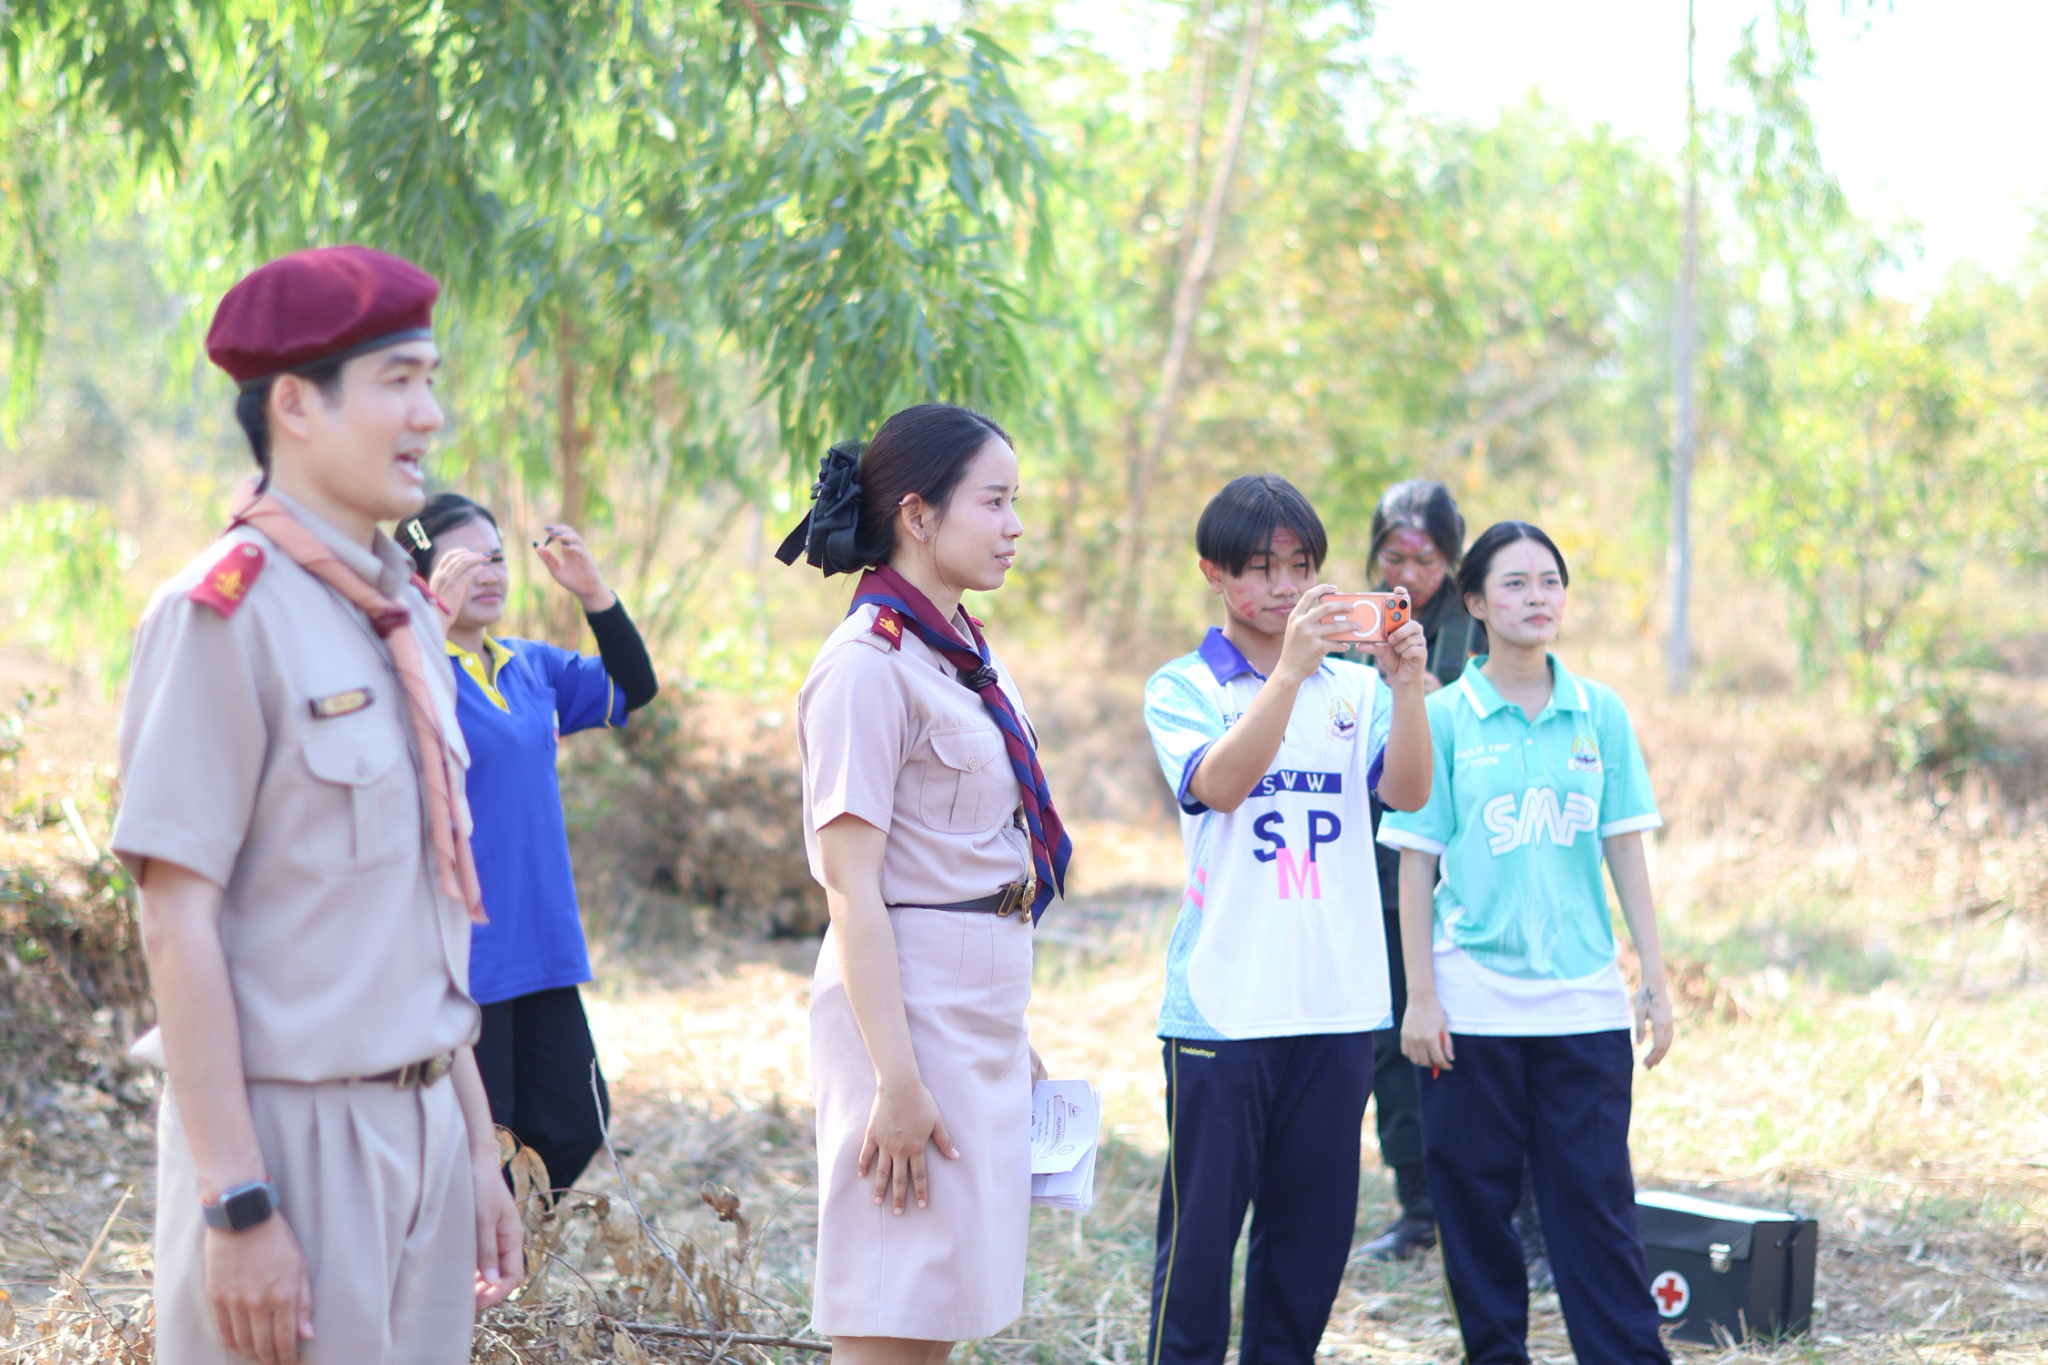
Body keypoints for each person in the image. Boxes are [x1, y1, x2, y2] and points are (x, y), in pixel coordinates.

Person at [111, 245, 521, 1365]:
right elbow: (175, 917)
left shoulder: (406, 618)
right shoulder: (221, 614)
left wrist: (472, 1147)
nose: (429, 415)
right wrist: (237, 1200)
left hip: (425, 1122)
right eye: (398, 381)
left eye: (431, 380)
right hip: (291, 1137)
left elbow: (421, 913)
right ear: (295, 404)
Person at [780, 405, 1072, 1365]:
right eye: (993, 501)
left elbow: (974, 852)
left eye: (1014, 501)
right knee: (890, 1305)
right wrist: (896, 1083)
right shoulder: (865, 668)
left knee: (939, 1305)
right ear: (917, 513)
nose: (1014, 526)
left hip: (975, 998)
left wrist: (1013, 1032)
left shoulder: (964, 656)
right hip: (902, 1014)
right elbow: (853, 891)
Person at [1140, 474, 1433, 1365]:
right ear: (1213, 573)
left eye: (1300, 566)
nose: (1283, 586)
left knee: (1307, 1251)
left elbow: (1409, 792)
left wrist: (1406, 688)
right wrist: (1290, 674)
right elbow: (1221, 785)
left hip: (1336, 1005)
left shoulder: (1355, 690)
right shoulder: (1183, 685)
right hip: (1224, 1009)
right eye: (1261, 567)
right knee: (1199, 1250)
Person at [1379, 521, 1676, 1365]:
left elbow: (1625, 844)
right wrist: (1421, 996)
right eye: (1514, 583)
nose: (1537, 597)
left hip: (1582, 1000)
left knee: (1597, 1204)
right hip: (1471, 1003)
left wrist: (1653, 978)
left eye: (1550, 581)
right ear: (1473, 601)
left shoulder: (1599, 711)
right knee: (1474, 1208)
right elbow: (1414, 863)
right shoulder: (1442, 716)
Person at [398, 494, 659, 1195]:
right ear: (420, 576)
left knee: (577, 1116)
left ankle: (507, 1241)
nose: (487, 573)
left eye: (496, 557)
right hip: (463, 949)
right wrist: (429, 625)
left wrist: (594, 594)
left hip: (540, 942)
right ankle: (471, 1251)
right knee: (484, 1131)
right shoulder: (405, 674)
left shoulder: (529, 665)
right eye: (464, 561)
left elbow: (634, 686)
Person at [1357, 479, 1475, 1264]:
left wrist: (1442, 698)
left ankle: (1502, 1204)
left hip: (1464, 868)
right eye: (1392, 557)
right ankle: (1418, 1207)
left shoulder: (1482, 622)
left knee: (1474, 1037)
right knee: (1390, 1037)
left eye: (1425, 559)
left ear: (1453, 560)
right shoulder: (1352, 623)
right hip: (1375, 864)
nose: (1407, 574)